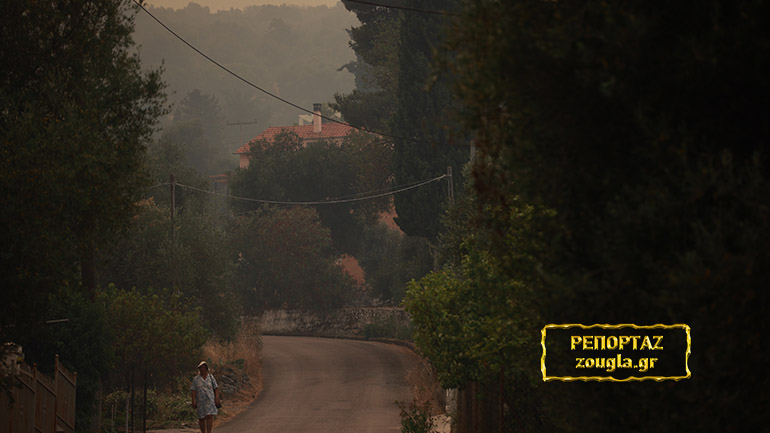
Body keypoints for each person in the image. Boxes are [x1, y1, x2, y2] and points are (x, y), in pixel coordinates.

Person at [191, 361, 220, 433]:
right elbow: (193, 390)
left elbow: (216, 388)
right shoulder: (196, 379)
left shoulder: (211, 377)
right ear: (199, 369)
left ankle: (209, 432)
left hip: (210, 400)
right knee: (201, 418)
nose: (202, 369)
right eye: (201, 368)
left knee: (209, 416)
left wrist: (216, 398)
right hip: (201, 401)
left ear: (206, 369)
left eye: (204, 368)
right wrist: (193, 401)